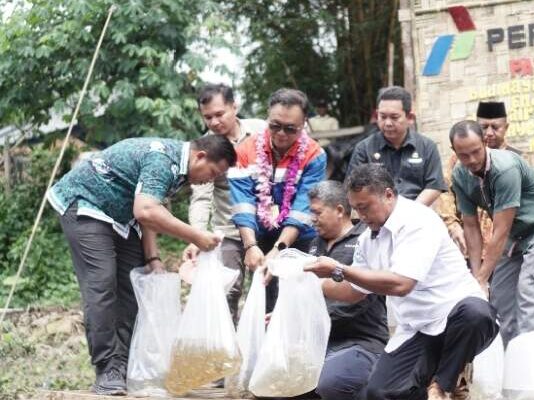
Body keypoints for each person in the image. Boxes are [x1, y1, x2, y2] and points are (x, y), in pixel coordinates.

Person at [48, 135, 235, 395]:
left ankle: (124, 364)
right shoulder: (164, 160)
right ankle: (107, 369)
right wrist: (196, 236)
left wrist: (153, 259)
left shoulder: (179, 171)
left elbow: (149, 213)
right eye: (212, 173)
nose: (209, 180)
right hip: (85, 203)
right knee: (102, 283)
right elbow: (146, 211)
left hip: (120, 216)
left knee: (132, 283)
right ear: (200, 156)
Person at [305, 164, 498, 400]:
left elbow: (402, 284)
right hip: (417, 328)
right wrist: (310, 285)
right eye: (355, 209)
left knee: (475, 313)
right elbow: (353, 291)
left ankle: (443, 384)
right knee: (379, 393)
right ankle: (436, 383)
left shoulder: (418, 220)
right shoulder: (367, 239)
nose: (361, 216)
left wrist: (338, 268)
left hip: (456, 317)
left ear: (388, 194)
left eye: (365, 207)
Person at [450, 120, 534, 347]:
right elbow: (471, 227)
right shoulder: (460, 175)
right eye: (464, 155)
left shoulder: (505, 169)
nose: (472, 160)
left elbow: (500, 230)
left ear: (485, 142)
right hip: (516, 234)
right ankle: (512, 366)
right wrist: (478, 278)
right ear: (455, 152)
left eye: (476, 151)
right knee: (500, 302)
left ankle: (531, 373)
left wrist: (483, 277)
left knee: (529, 298)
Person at [229, 88, 326, 312]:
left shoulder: (315, 154)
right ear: (267, 118)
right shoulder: (244, 150)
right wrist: (251, 245)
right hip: (258, 234)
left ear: (304, 124)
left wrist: (280, 248)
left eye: (290, 129)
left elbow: (303, 207)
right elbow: (242, 202)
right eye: (275, 125)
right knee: (264, 297)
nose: (281, 133)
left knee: (298, 297)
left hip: (300, 236)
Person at [183, 83, 266, 323]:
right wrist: (197, 235)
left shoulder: (261, 131)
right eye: (208, 117)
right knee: (227, 291)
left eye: (220, 114)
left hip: (265, 226)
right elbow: (201, 197)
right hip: (228, 230)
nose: (215, 122)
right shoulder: (205, 148)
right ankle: (227, 348)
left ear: (234, 106)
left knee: (265, 289)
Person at [306, 180, 388, 400]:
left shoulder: (366, 242)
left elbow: (360, 299)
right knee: (281, 380)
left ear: (340, 210)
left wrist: (315, 319)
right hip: (320, 339)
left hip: (360, 339)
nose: (312, 219)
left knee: (331, 383)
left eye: (317, 212)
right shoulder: (314, 245)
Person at [438, 101, 521, 257]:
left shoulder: (515, 159)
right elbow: (445, 192)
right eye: (484, 127)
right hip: (468, 246)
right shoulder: (458, 161)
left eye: (495, 127)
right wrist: (452, 224)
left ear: (506, 128)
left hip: (507, 248)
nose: (489, 132)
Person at [347, 86, 447, 206]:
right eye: (383, 117)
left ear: (410, 117)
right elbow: (352, 187)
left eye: (394, 117)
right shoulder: (364, 149)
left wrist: (411, 211)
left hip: (417, 211)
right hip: (376, 214)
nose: (388, 123)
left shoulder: (427, 146)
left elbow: (434, 185)